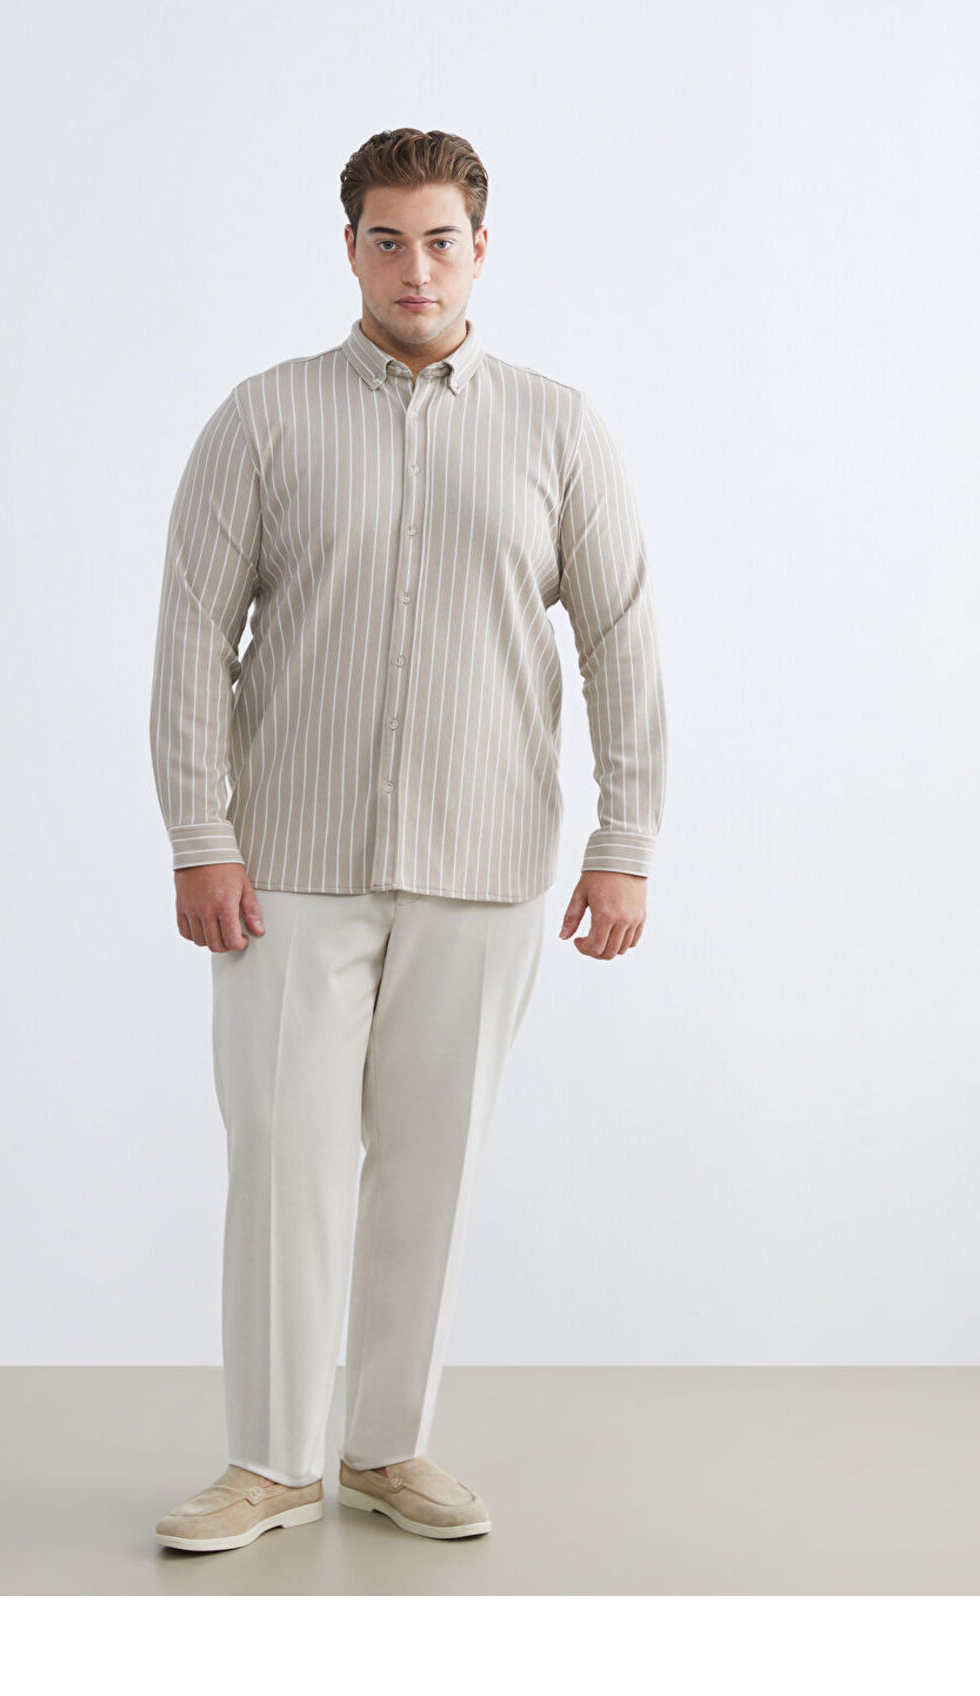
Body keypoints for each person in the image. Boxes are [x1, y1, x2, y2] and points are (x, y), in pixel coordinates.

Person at [148, 127, 668, 1553]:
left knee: (429, 1169)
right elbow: (194, 637)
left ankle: (386, 1448)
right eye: (388, 240)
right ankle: (270, 1463)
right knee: (283, 1163)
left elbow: (622, 641)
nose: (416, 268)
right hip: (286, 866)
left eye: (441, 241)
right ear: (351, 249)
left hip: (485, 863)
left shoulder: (559, 429)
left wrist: (625, 841)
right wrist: (200, 833)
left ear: (480, 250)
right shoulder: (263, 419)